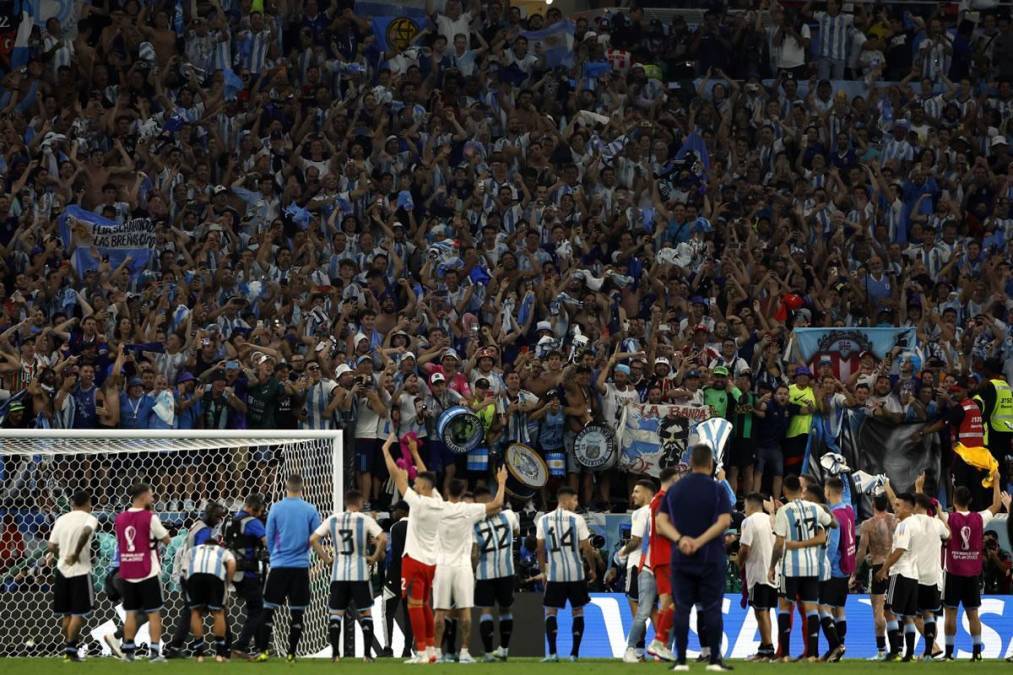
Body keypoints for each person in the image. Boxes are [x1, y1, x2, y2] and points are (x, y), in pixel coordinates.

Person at [655, 444, 734, 672]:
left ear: (691, 463)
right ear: (710, 464)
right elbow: (725, 521)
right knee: (711, 608)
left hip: (681, 558)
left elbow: (661, 523)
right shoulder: (717, 489)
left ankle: (680, 661)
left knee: (682, 608)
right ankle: (715, 661)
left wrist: (681, 540)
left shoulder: (675, 490)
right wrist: (699, 542)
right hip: (711, 557)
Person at [380, 431, 442, 663]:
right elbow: (427, 478)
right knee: (422, 606)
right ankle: (426, 649)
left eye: (417, 484)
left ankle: (423, 650)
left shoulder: (414, 507)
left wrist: (386, 451)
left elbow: (398, 478)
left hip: (412, 563)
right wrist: (415, 452)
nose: (414, 484)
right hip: (431, 562)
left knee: (415, 607)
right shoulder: (437, 501)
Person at [433, 470, 507, 663]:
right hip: (463, 567)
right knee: (465, 611)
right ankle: (465, 651)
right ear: (463, 491)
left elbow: (427, 490)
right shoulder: (469, 510)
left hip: (442, 565)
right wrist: (501, 482)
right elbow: (498, 504)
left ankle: (437, 652)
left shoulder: (439, 508)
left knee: (440, 611)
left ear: (447, 491)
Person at [310, 488, 387, 662]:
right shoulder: (364, 519)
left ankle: (335, 654)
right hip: (359, 573)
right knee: (366, 614)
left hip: (338, 573)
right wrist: (374, 557)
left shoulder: (333, 519)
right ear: (359, 503)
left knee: (336, 614)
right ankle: (367, 654)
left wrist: (327, 559)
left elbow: (313, 539)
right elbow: (383, 538)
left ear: (346, 503)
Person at [767, 474, 836, 663]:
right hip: (812, 566)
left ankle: (785, 654)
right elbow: (833, 523)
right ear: (800, 488)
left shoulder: (784, 511)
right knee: (811, 608)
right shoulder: (814, 508)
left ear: (784, 491)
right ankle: (812, 654)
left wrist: (772, 566)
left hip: (790, 567)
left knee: (785, 606)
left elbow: (779, 543)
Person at [254, 475, 322, 663]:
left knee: (268, 610)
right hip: (300, 567)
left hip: (279, 567)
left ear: (286, 486)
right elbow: (317, 537)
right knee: (297, 613)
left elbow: (268, 536)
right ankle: (291, 654)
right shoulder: (310, 509)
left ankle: (262, 652)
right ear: (302, 488)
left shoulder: (276, 508)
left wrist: (277, 555)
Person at [939, 472, 1003, 660]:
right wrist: (997, 482)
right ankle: (977, 653)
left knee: (950, 613)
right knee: (973, 614)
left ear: (954, 500)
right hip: (973, 573)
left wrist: (919, 489)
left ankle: (949, 654)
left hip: (953, 572)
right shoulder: (978, 518)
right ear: (971, 500)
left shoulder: (948, 518)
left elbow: (932, 510)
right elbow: (996, 505)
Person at [536, 486, 598, 662]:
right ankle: (574, 654)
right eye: (575, 500)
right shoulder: (577, 519)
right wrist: (592, 568)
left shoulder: (544, 520)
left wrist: (543, 572)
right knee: (577, 611)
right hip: (576, 573)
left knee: (550, 612)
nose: (577, 504)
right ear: (566, 500)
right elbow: (586, 548)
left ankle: (553, 653)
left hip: (555, 574)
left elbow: (540, 550)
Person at [114, 482, 172, 662]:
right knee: (153, 612)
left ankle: (129, 652)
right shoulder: (150, 517)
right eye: (151, 494)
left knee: (131, 613)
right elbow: (167, 539)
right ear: (142, 496)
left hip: (128, 571)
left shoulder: (120, 518)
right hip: (148, 572)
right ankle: (154, 653)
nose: (153, 498)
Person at [166, 501, 228, 658]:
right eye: (217, 517)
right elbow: (201, 553)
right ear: (209, 515)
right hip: (197, 574)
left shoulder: (197, 526)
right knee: (215, 610)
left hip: (189, 573)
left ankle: (180, 647)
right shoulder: (204, 531)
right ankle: (224, 647)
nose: (219, 520)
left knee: (193, 611)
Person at [630, 467, 679, 663]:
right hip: (661, 559)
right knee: (661, 605)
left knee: (668, 603)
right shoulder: (660, 500)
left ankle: (661, 647)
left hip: (664, 559)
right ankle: (642, 646)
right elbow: (659, 527)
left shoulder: (666, 501)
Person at [47, 489, 98, 662]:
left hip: (62, 571)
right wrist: (75, 553)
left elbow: (51, 545)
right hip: (81, 571)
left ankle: (68, 648)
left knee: (66, 615)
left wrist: (62, 554)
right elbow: (85, 533)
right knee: (77, 613)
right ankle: (71, 649)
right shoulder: (90, 518)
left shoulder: (61, 519)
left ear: (72, 503)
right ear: (87, 503)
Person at [472, 485, 520, 662]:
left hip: (485, 574)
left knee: (486, 611)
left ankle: (487, 653)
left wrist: (472, 569)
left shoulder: (475, 524)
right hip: (507, 571)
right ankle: (504, 650)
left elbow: (474, 552)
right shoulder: (509, 516)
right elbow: (516, 532)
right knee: (506, 609)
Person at [875, 492, 920, 661]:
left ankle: (894, 651)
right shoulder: (917, 522)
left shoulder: (904, 526)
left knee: (888, 611)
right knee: (908, 615)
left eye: (898, 505)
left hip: (900, 572)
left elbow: (899, 550)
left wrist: (884, 569)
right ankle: (909, 653)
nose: (894, 508)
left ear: (908, 507)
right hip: (914, 574)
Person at [181, 534, 237, 663]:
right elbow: (232, 563)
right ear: (216, 545)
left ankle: (199, 654)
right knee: (218, 612)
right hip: (215, 577)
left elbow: (184, 570)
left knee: (196, 612)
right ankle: (219, 654)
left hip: (194, 576)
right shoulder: (222, 551)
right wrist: (227, 581)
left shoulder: (193, 550)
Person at [818, 478, 856, 659]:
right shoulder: (848, 509)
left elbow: (832, 547)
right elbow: (847, 494)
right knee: (839, 608)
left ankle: (836, 646)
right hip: (847, 568)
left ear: (827, 492)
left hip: (834, 568)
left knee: (823, 607)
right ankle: (840, 648)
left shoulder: (834, 516)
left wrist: (823, 567)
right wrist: (843, 473)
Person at [226, 494, 267, 658]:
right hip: (248, 571)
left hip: (231, 569)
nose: (260, 514)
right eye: (259, 511)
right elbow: (267, 541)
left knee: (252, 608)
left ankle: (256, 647)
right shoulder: (252, 522)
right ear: (253, 508)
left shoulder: (230, 521)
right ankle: (241, 645)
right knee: (258, 609)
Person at [855, 492, 895, 659]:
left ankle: (881, 651)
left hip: (878, 568)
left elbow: (861, 550)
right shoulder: (895, 520)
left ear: (872, 504)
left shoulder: (868, 525)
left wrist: (856, 572)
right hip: (894, 566)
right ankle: (898, 649)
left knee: (878, 612)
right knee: (892, 611)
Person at [909, 493, 950, 660]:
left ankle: (932, 648)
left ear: (917, 506)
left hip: (915, 575)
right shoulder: (937, 524)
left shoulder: (910, 522)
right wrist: (940, 513)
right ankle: (929, 651)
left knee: (913, 615)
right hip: (934, 577)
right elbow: (949, 534)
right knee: (928, 614)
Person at [617, 479, 653, 663]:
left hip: (637, 566)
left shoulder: (640, 513)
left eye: (637, 491)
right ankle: (664, 648)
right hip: (654, 567)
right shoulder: (660, 512)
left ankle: (637, 651)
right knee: (653, 611)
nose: (633, 495)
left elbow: (636, 541)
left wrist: (621, 553)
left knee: (637, 611)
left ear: (647, 493)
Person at [738, 492, 777, 662]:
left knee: (761, 611)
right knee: (764, 610)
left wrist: (739, 562)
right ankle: (764, 648)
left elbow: (745, 548)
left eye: (745, 506)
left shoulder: (749, 521)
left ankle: (768, 649)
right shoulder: (771, 519)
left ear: (751, 505)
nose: (744, 509)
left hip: (758, 573)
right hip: (773, 572)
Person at [382, 501, 412, 659]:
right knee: (410, 614)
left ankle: (388, 648)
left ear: (402, 512)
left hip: (395, 576)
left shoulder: (396, 528)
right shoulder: (417, 527)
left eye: (395, 511)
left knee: (387, 611)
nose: (393, 514)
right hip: (412, 576)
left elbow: (396, 554)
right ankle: (408, 649)